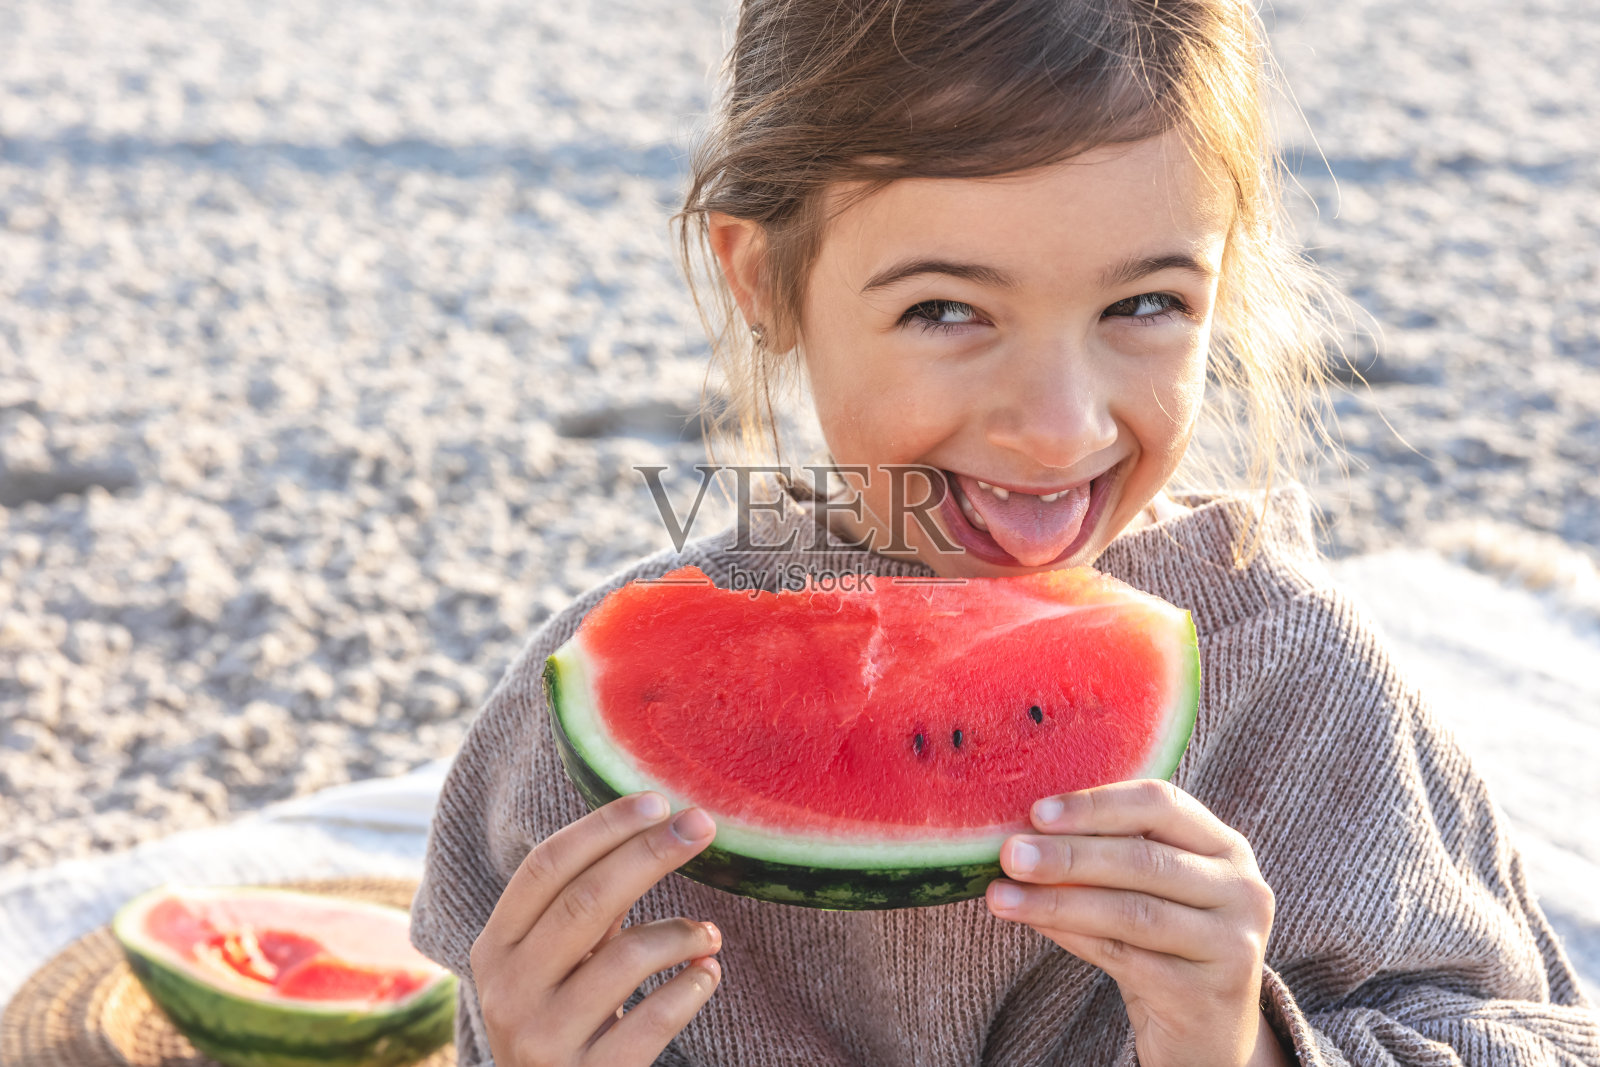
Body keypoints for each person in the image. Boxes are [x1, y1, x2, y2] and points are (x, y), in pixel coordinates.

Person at [409, 0, 1600, 1063]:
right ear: (763, 281)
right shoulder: (587, 718)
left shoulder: (1297, 677)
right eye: (946, 309)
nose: (1055, 426)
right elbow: (496, 1006)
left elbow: (1517, 1031)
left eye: (1145, 304)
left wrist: (1241, 1045)